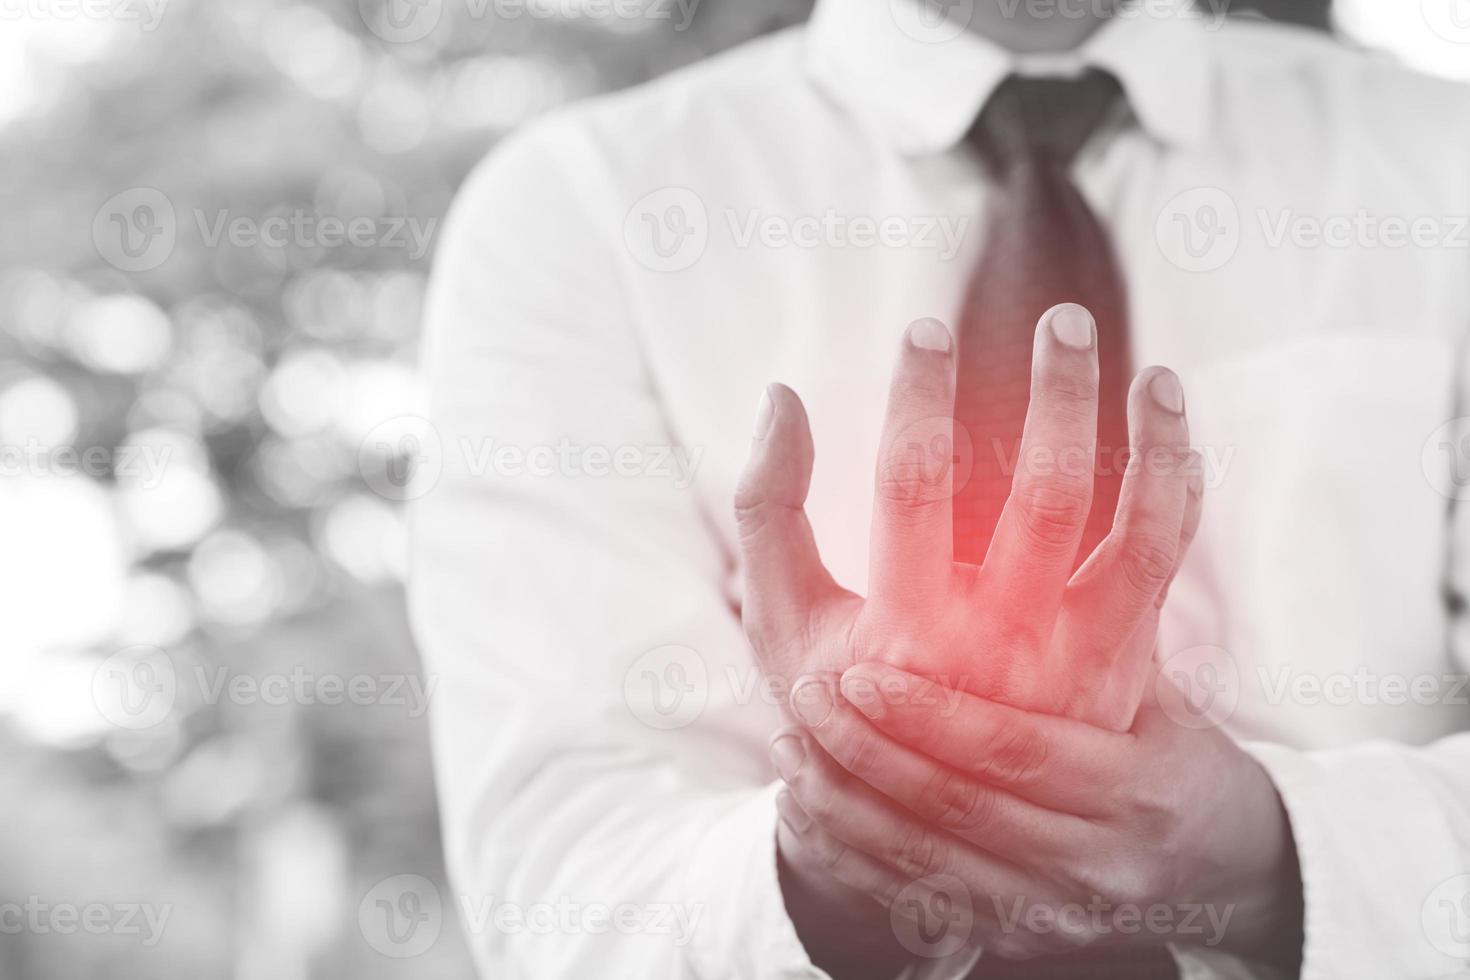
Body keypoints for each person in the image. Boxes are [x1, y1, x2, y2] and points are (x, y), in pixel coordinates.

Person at [409, 0, 1470, 976]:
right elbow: (567, 884)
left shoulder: (1443, 160)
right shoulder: (578, 210)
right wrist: (835, 848)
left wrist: (1266, 852)